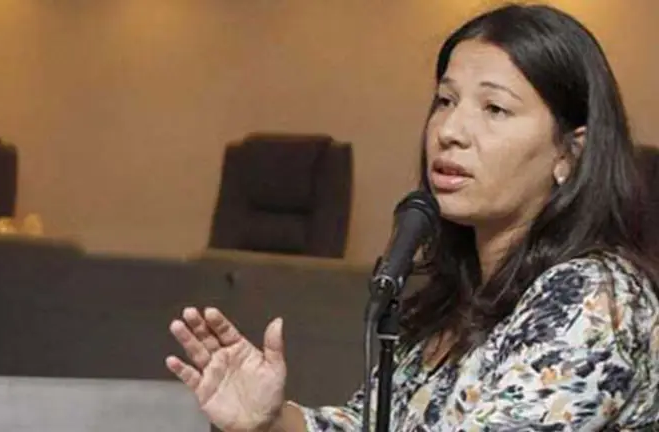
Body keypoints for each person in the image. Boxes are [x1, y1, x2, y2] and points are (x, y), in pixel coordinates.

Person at [166, 3, 659, 431]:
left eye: (494, 109)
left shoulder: (595, 297)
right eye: (445, 101)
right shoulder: (456, 299)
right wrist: (271, 421)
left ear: (570, 152)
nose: (450, 130)